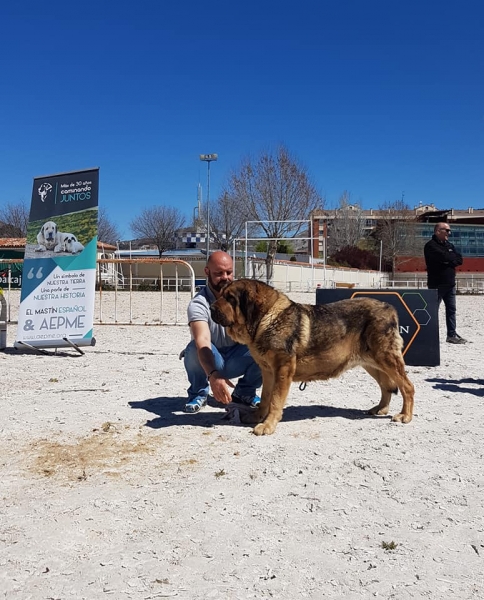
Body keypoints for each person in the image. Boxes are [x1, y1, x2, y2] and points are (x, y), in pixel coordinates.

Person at [182, 250, 262, 413]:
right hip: (212, 358)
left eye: (229, 272)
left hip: (238, 357)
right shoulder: (198, 304)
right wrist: (213, 375)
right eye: (219, 273)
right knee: (192, 349)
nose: (225, 277)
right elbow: (203, 340)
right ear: (207, 272)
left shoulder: (245, 300)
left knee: (265, 346)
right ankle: (199, 393)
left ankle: (245, 392)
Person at [424, 222, 467, 344]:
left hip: (450, 284)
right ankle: (429, 335)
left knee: (451, 310)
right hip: (436, 285)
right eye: (447, 230)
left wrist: (449, 259)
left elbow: (459, 259)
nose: (449, 233)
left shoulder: (449, 245)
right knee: (432, 311)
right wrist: (449, 259)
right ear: (438, 231)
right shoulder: (430, 246)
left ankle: (451, 335)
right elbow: (444, 257)